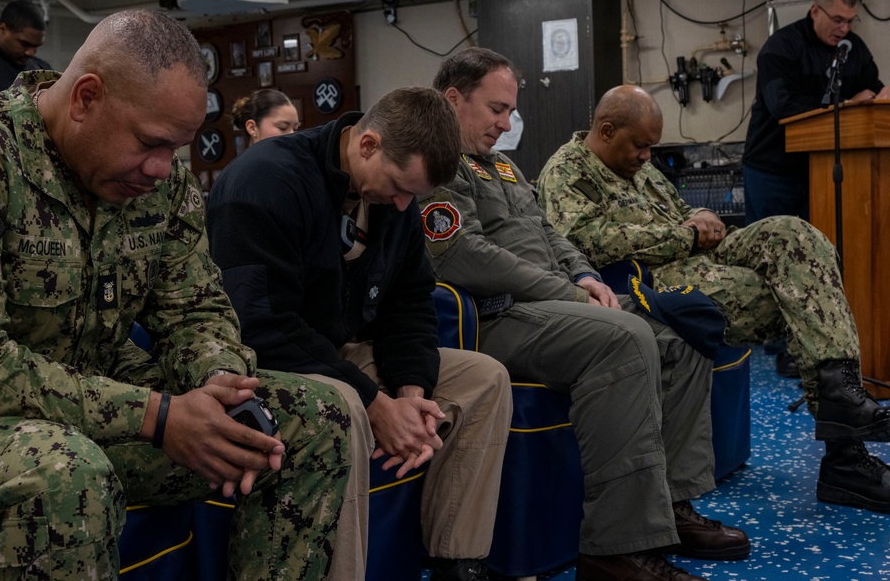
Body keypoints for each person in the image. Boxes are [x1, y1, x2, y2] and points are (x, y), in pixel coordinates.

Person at [0, 9, 352, 581]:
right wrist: (156, 416)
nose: (163, 169)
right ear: (85, 98)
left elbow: (195, 309)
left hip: (105, 412)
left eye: (177, 148)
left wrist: (218, 385)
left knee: (312, 419)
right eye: (150, 143)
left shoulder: (158, 183)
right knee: (65, 477)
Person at [419, 47, 748, 581]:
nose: (505, 125)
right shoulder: (436, 164)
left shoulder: (500, 164)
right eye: (496, 110)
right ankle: (614, 549)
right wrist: (565, 291)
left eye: (509, 112)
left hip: (552, 306)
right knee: (624, 339)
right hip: (498, 319)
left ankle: (672, 506)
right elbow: (462, 254)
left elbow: (548, 231)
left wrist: (585, 277)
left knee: (681, 342)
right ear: (453, 99)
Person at [537, 83, 890, 516]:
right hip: (654, 281)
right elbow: (582, 241)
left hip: (700, 256)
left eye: (653, 147)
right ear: (606, 131)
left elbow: (679, 213)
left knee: (800, 239)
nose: (648, 157)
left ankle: (841, 399)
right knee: (800, 295)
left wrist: (697, 218)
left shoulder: (640, 168)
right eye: (641, 146)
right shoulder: (567, 170)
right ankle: (846, 456)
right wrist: (685, 233)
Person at [206, 86, 513, 581]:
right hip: (263, 360)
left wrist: (412, 393)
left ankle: (457, 562)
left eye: (413, 194)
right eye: (398, 187)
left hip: (336, 349)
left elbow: (410, 299)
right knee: (345, 405)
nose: (402, 203)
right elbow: (259, 326)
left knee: (485, 378)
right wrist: (376, 403)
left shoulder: (396, 198)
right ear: (367, 144)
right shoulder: (264, 181)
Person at [743, 0, 890, 223]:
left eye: (851, 21)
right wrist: (844, 105)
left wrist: (883, 96)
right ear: (815, 11)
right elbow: (782, 105)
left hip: (823, 171)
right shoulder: (781, 46)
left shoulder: (854, 49)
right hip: (772, 169)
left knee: (820, 248)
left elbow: (872, 89)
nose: (844, 29)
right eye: (838, 20)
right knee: (769, 249)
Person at [232, 88, 300, 146]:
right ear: (252, 128)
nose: (292, 136)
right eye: (282, 127)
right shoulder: (243, 161)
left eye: (295, 129)